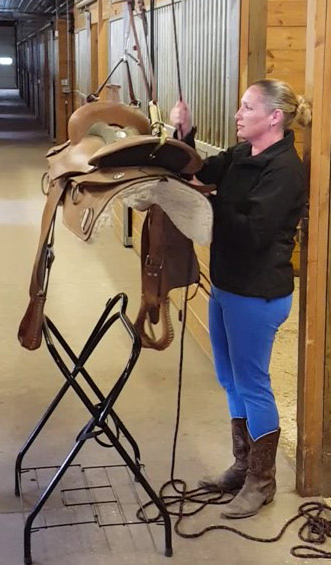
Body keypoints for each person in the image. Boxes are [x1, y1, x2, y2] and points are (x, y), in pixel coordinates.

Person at [170, 79, 312, 519]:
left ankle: (262, 480)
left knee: (252, 383)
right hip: (229, 283)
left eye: (247, 107)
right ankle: (242, 463)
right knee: (229, 378)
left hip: (258, 292)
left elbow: (254, 233)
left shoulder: (284, 169)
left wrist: (205, 203)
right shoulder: (239, 155)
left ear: (274, 117)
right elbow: (201, 171)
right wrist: (184, 134)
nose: (238, 114)